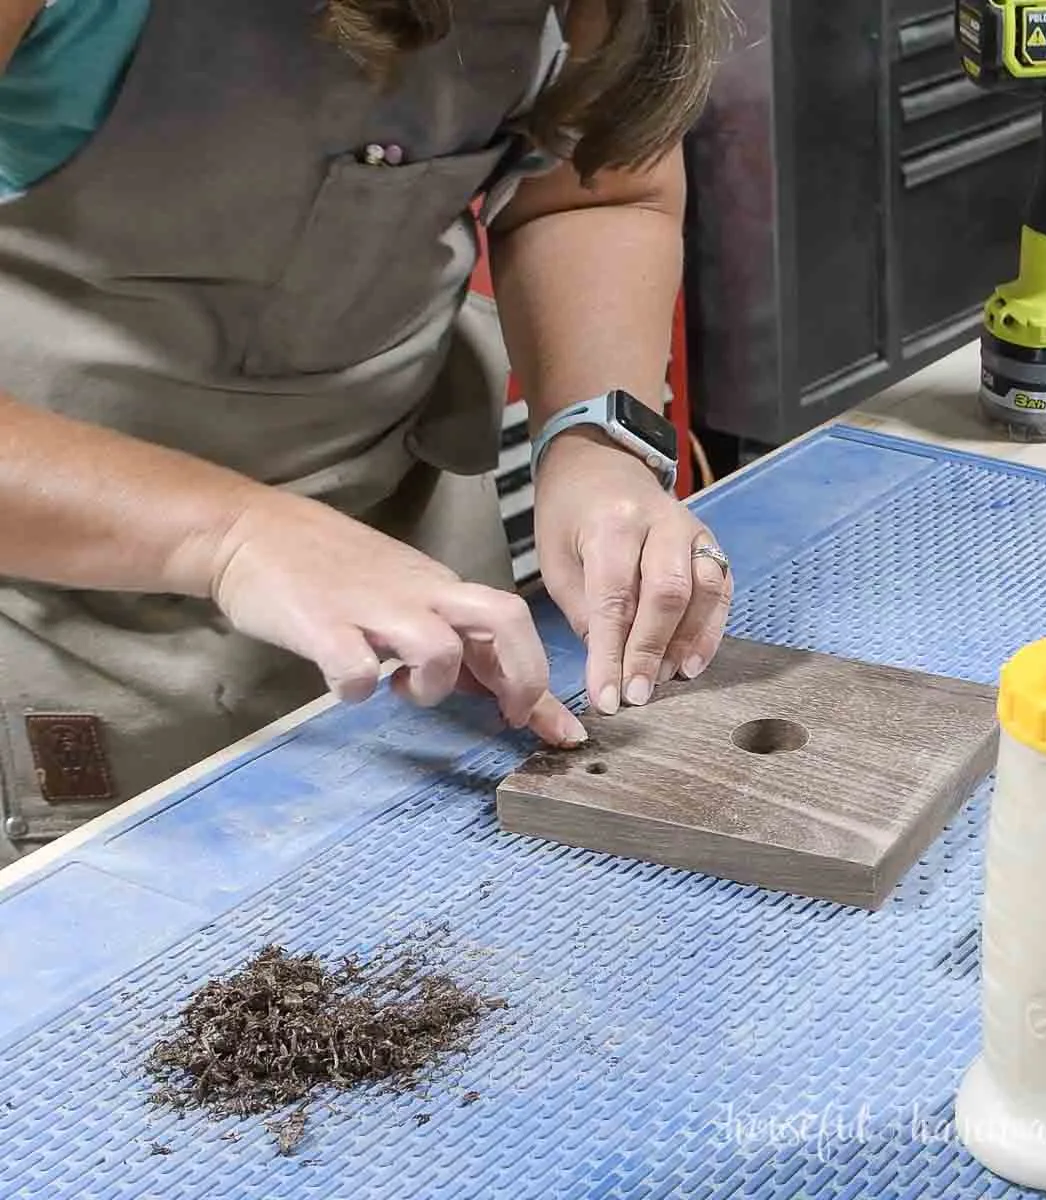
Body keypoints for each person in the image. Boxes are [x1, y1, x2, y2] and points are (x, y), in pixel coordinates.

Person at [0, 0, 735, 862]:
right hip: (52, 591)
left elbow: (598, 190)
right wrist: (232, 535)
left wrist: (594, 443)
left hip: (411, 567)